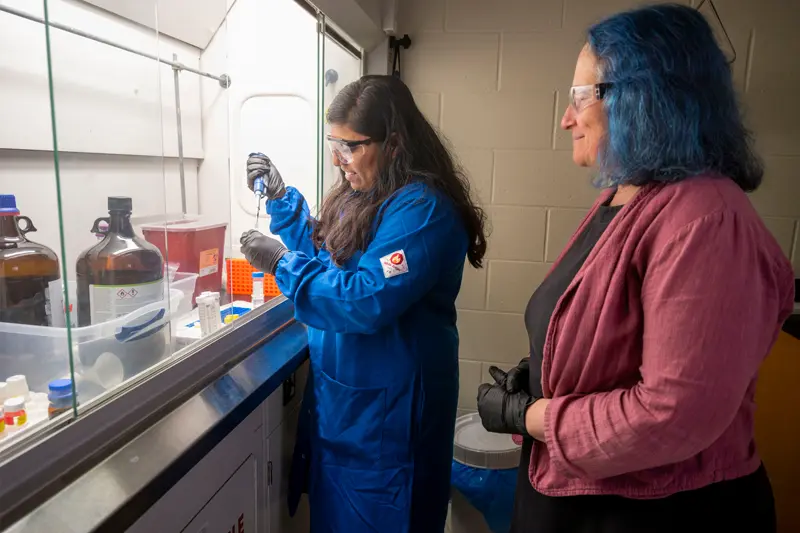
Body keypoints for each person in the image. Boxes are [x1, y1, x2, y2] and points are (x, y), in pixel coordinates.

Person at [476, 5, 794, 533]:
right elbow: (611, 329)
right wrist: (550, 370)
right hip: (592, 498)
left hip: (660, 512)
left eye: (580, 97)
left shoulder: (704, 217)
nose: (566, 117)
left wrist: (530, 417)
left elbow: (672, 414)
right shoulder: (629, 198)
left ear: (641, 99)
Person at [240, 75, 487, 532]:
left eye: (350, 147)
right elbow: (335, 260)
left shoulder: (423, 211)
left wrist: (281, 264)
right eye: (335, 144)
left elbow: (363, 296)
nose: (339, 159)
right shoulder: (368, 192)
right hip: (348, 418)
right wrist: (282, 203)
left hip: (390, 433)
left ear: (393, 143)